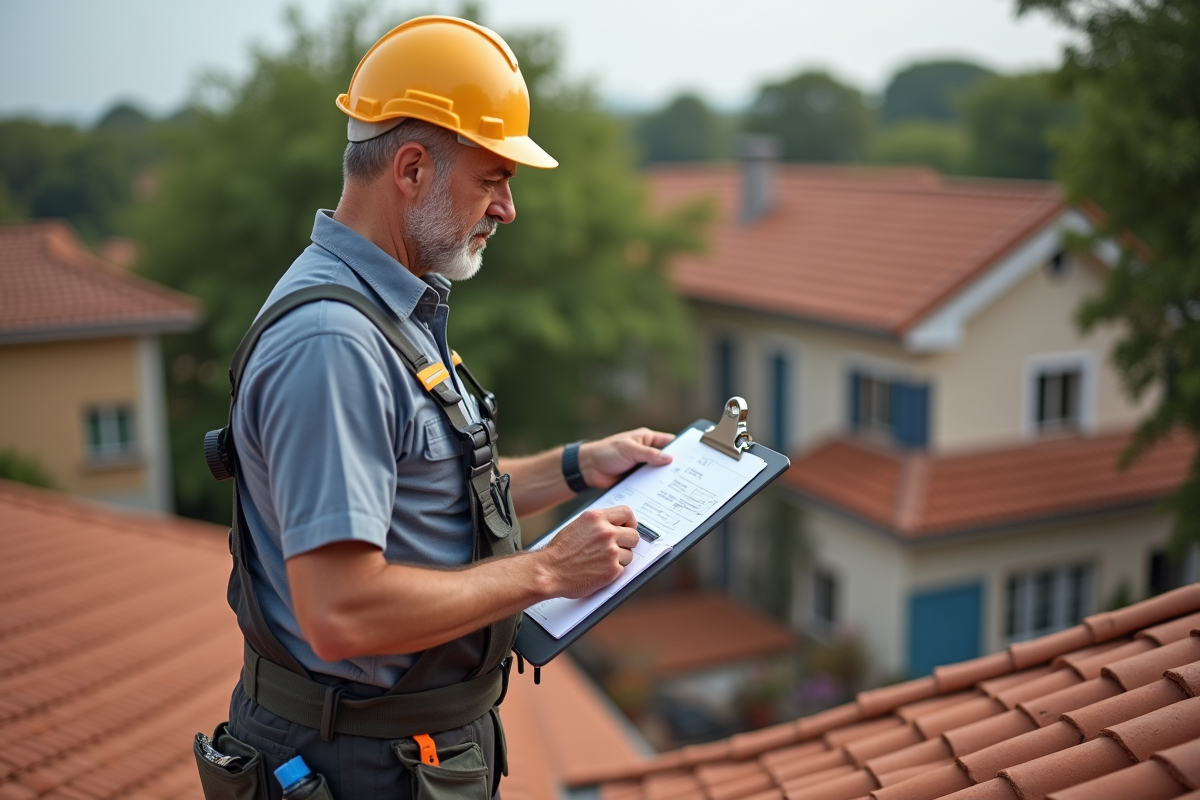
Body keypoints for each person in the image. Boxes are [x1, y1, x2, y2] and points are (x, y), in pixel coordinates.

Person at [214, 15, 673, 800]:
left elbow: (429, 493)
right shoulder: (334, 343)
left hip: (395, 752)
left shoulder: (388, 307)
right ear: (414, 168)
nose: (506, 210)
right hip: (357, 765)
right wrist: (545, 572)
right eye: (493, 179)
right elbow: (342, 613)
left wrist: (578, 466)